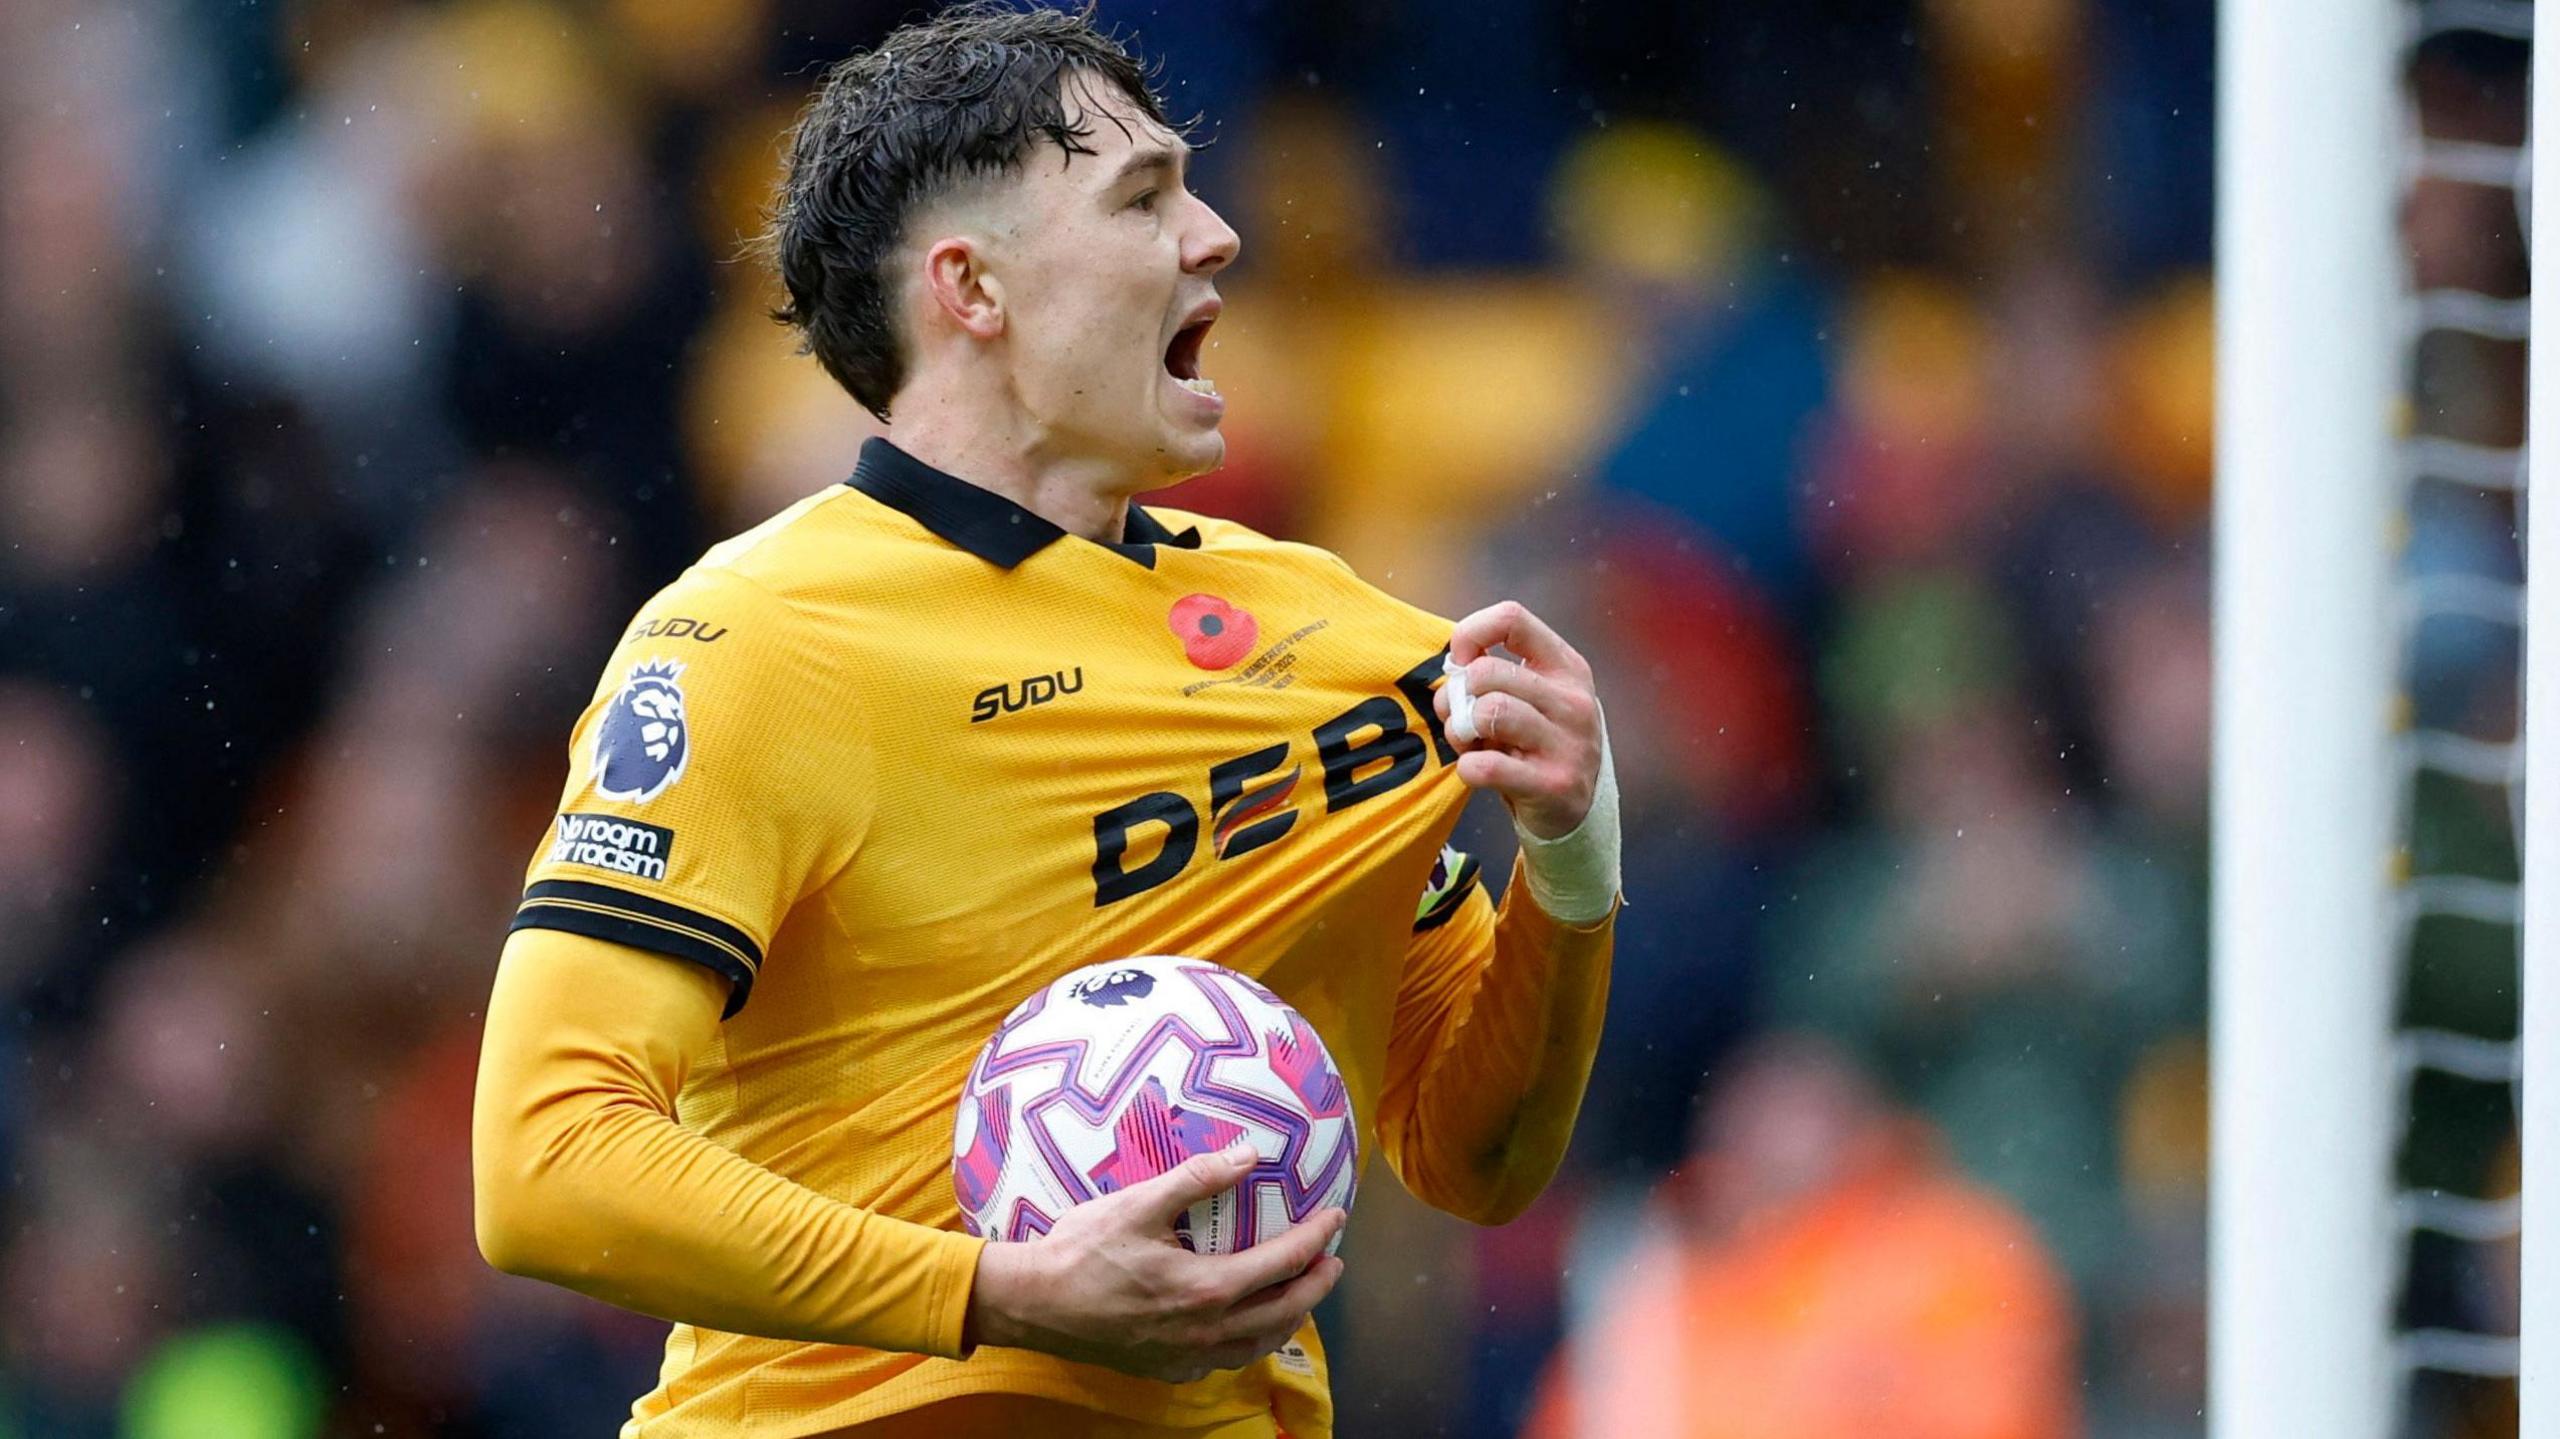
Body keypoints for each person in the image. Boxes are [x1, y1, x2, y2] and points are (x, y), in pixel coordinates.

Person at [467, 6, 1622, 1437]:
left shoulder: (1341, 645)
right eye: (1142, 198)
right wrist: (999, 1293)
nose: (1219, 236)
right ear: (973, 288)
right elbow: (546, 1166)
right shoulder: (756, 642)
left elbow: (1473, 1159)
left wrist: (1572, 858)